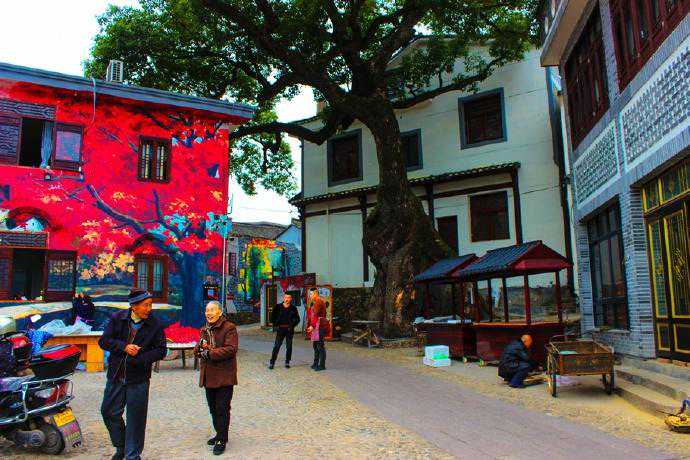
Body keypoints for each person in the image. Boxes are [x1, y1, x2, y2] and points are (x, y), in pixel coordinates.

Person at [99, 290, 167, 460]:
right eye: (146, 305)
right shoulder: (118, 318)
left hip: (139, 378)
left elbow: (161, 350)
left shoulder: (155, 324)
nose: (149, 309)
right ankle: (121, 446)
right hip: (116, 375)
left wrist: (141, 358)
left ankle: (132, 455)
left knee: (136, 419)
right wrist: (124, 347)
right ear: (134, 306)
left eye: (150, 305)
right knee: (109, 412)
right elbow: (104, 341)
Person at [195, 301, 238, 456]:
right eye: (207, 310)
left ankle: (221, 439)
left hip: (224, 375)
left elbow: (231, 349)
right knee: (213, 408)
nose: (209, 313)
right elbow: (198, 349)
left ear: (219, 312)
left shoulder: (229, 328)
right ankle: (219, 433)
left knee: (222, 408)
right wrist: (199, 348)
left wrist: (210, 353)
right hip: (208, 376)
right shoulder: (204, 329)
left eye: (212, 310)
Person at [268, 294, 300, 369]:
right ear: (283, 298)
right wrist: (275, 325)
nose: (287, 299)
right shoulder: (278, 307)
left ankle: (287, 362)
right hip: (280, 329)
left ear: (291, 299)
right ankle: (272, 362)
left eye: (288, 297)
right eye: (285, 297)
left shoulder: (293, 308)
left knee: (289, 347)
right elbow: (272, 317)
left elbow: (297, 319)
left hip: (289, 330)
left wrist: (292, 325)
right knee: (277, 346)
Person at [306, 288, 328, 371]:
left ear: (315, 294)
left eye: (311, 294)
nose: (310, 296)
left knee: (320, 346)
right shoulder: (315, 302)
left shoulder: (319, 302)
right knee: (315, 346)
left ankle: (322, 365)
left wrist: (312, 326)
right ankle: (315, 363)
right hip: (316, 327)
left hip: (319, 326)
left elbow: (316, 315)